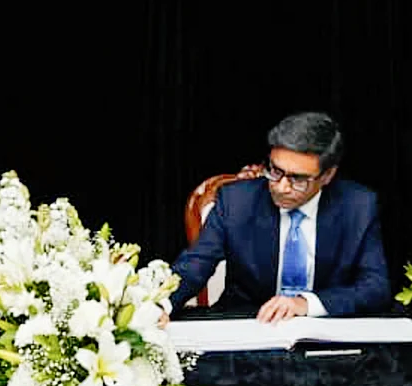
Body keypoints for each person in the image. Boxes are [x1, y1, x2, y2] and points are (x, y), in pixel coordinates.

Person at [165, 111, 391, 324]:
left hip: (323, 331)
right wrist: (161, 306)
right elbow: (195, 263)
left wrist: (305, 304)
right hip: (247, 324)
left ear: (327, 175)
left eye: (298, 179)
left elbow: (376, 286)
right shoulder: (236, 201)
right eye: (276, 171)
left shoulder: (357, 206)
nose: (282, 187)